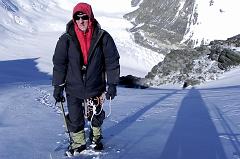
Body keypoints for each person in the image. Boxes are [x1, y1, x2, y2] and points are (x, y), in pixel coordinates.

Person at [52, 2, 120, 156]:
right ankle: (78, 143)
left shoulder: (103, 37)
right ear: (74, 19)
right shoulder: (66, 39)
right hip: (73, 86)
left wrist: (113, 84)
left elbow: (112, 60)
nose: (81, 20)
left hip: (96, 85)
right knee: (75, 117)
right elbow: (60, 63)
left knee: (97, 114)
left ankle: (96, 138)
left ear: (91, 18)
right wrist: (58, 86)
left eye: (84, 17)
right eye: (77, 17)